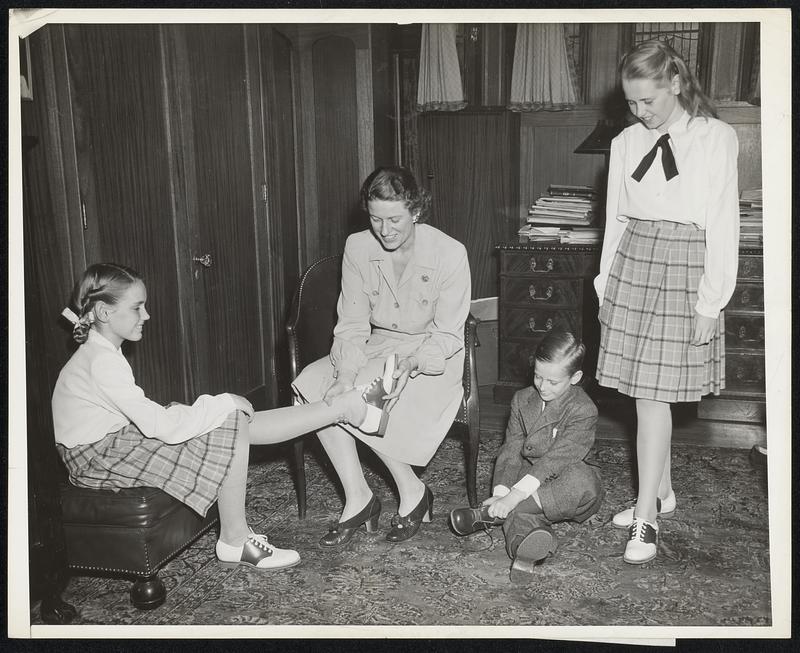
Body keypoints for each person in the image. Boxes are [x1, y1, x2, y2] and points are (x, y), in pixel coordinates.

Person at [52, 263, 375, 572]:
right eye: (137, 307)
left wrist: (217, 408)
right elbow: (159, 425)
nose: (146, 315)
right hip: (100, 457)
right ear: (105, 313)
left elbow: (146, 417)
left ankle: (342, 407)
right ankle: (234, 539)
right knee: (228, 419)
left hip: (109, 444)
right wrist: (221, 403)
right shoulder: (102, 361)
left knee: (231, 420)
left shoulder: (102, 352)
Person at [594, 40, 740, 564]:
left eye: (648, 101)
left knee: (652, 396)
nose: (640, 112)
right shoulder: (627, 141)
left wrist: (711, 301)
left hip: (684, 264)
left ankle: (646, 518)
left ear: (675, 83)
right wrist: (604, 285)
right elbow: (615, 219)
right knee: (643, 394)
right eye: (632, 103)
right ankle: (660, 492)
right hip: (633, 262)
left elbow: (724, 222)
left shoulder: (715, 137)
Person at [291, 166, 471, 546]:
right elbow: (353, 324)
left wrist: (415, 362)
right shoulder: (358, 247)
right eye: (376, 219)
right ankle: (358, 496)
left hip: (431, 355)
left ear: (416, 210)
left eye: (394, 219)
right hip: (379, 345)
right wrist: (343, 373)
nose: (385, 230)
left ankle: (411, 493)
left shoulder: (450, 253)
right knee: (314, 384)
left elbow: (449, 333)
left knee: (364, 397)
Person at [449, 330, 603, 583]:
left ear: (575, 378)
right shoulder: (522, 400)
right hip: (529, 479)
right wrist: (501, 493)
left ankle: (490, 516)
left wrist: (513, 497)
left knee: (582, 481)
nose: (542, 386)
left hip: (568, 481)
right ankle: (524, 550)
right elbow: (511, 450)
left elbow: (555, 461)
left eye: (553, 382)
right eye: (538, 377)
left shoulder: (584, 409)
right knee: (520, 514)